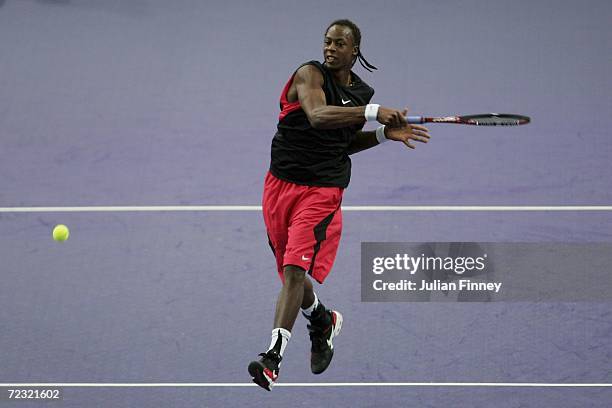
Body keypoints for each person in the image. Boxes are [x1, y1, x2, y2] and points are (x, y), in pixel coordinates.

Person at [248, 19, 431, 391]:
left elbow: (341, 143)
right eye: (327, 42)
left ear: (355, 51)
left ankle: (272, 358)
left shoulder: (361, 91)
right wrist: (373, 113)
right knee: (290, 277)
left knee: (294, 270)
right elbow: (317, 116)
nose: (330, 48)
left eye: (339, 43)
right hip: (280, 185)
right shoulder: (308, 75)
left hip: (322, 191)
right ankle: (322, 319)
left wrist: (381, 134)